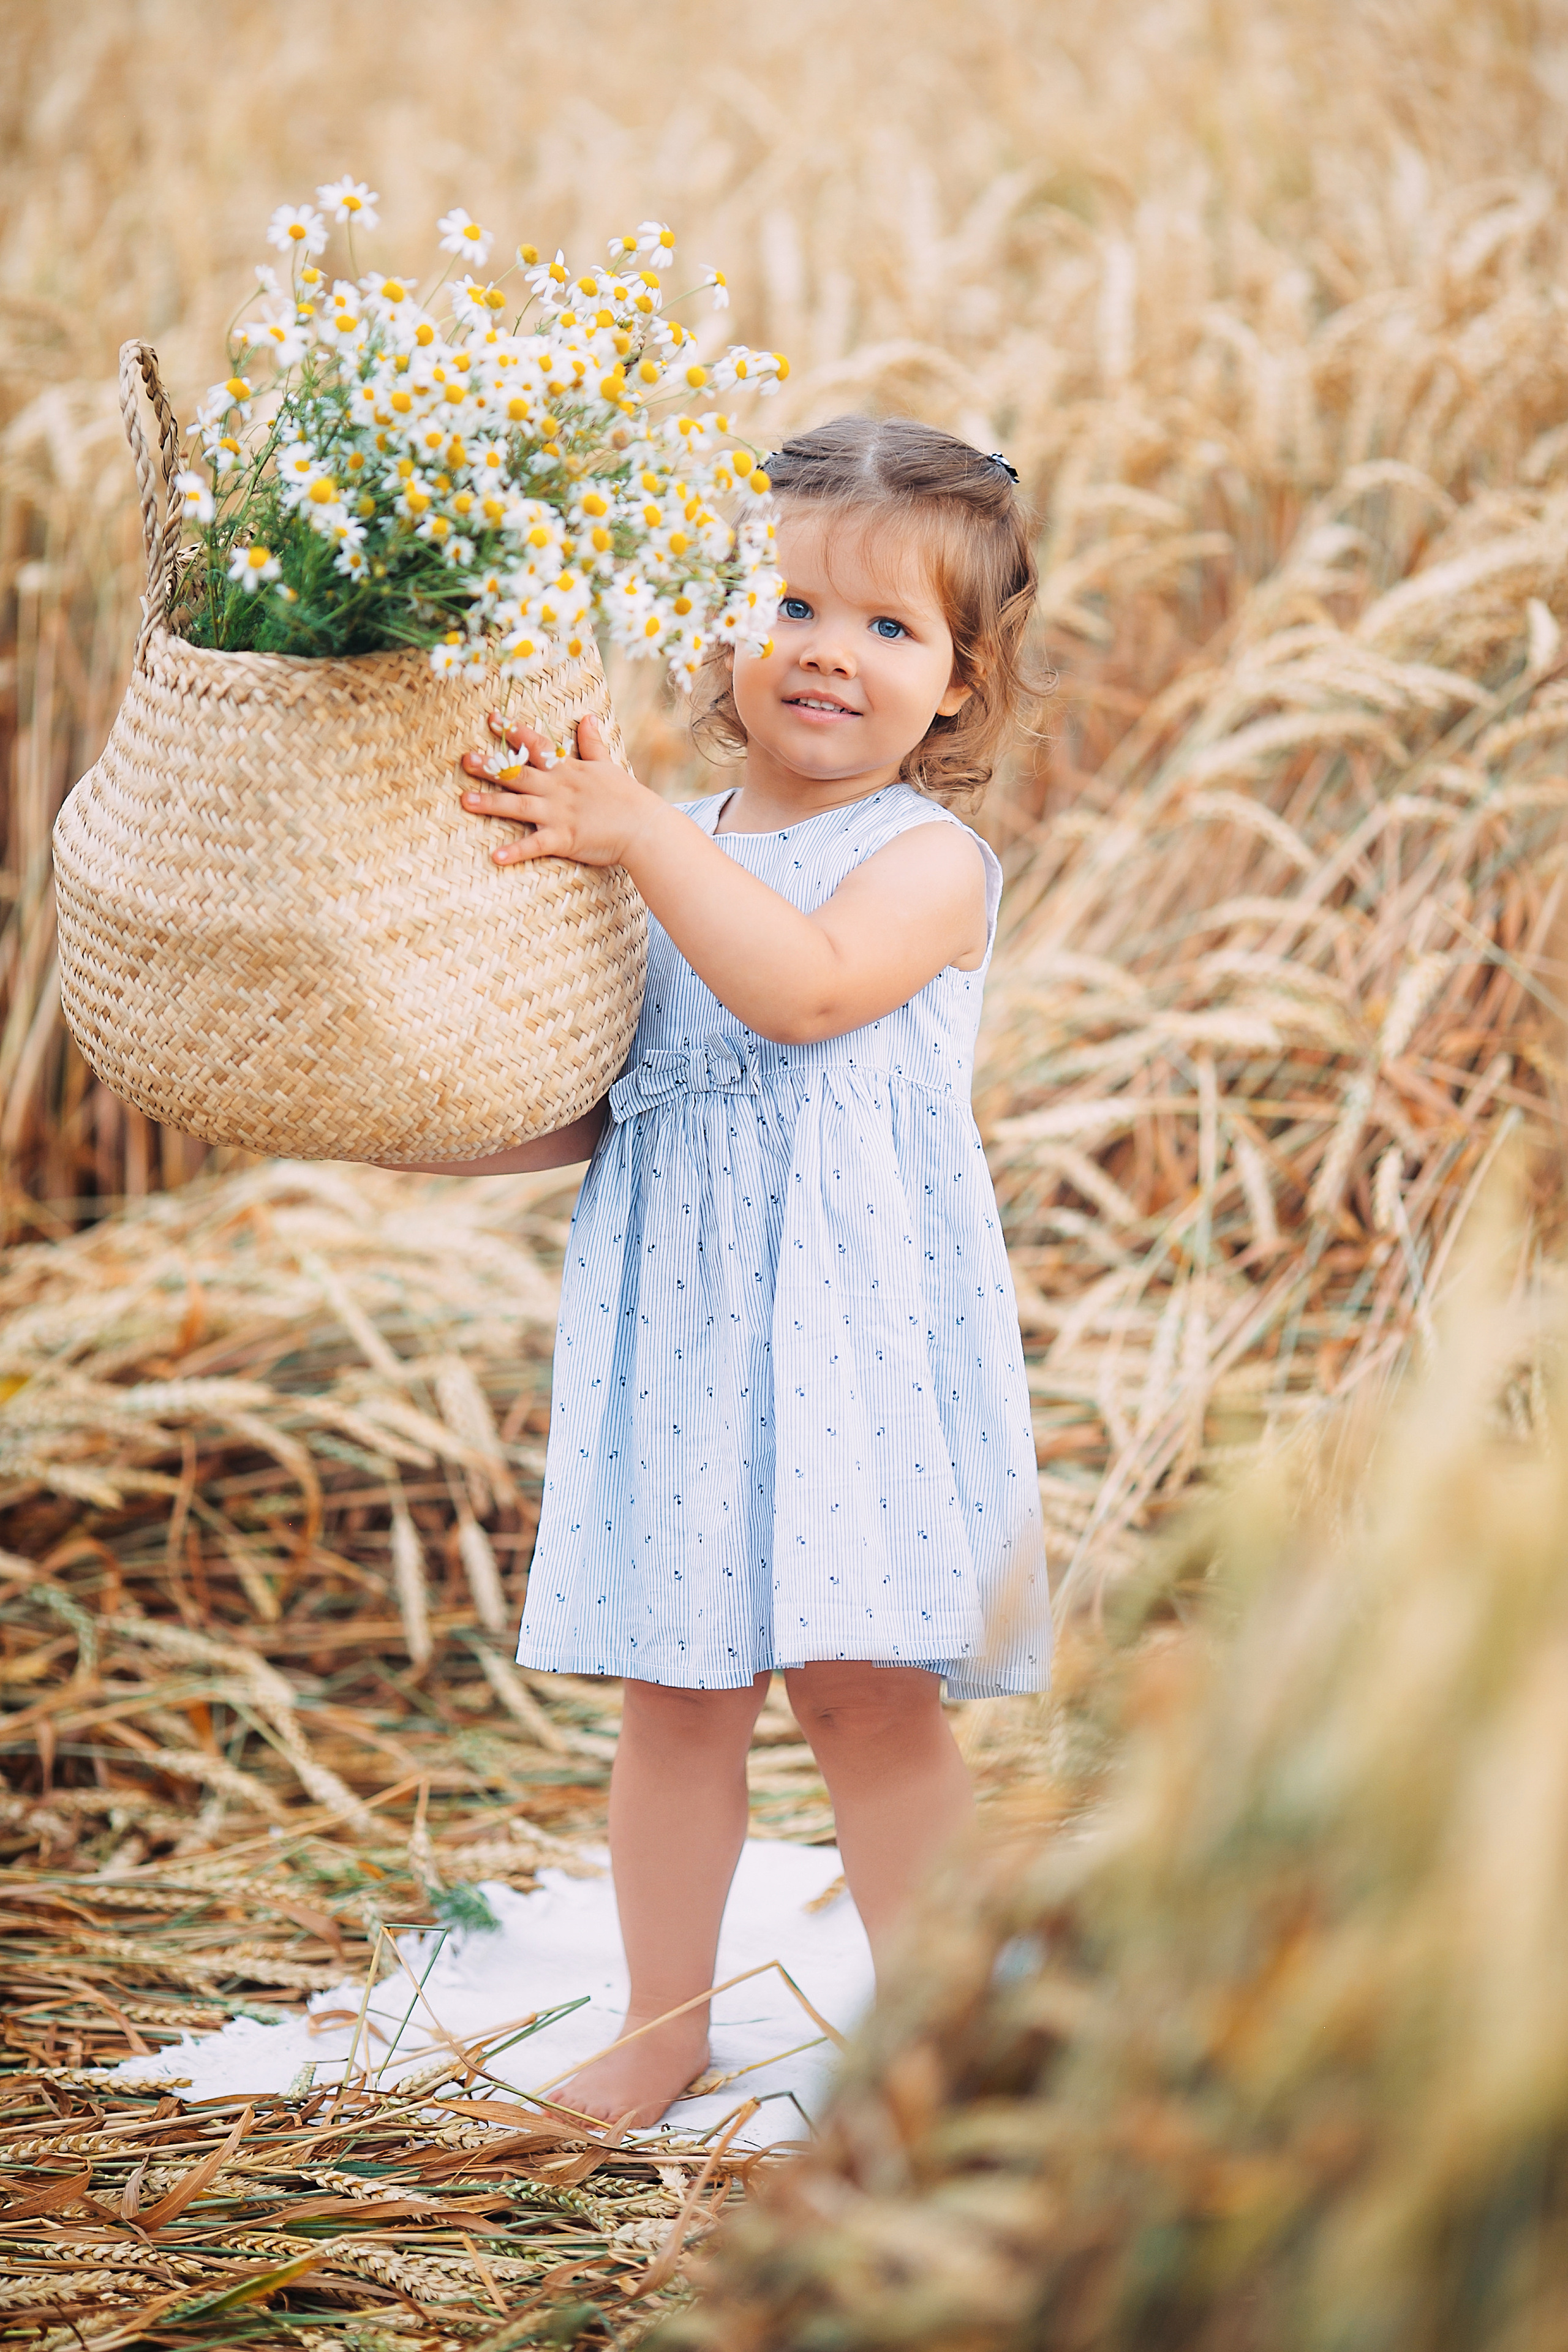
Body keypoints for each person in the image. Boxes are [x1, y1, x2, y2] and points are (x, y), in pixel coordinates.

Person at [448, 415, 1051, 2126]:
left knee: (866, 1696)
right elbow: (599, 1103)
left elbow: (795, 991)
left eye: (887, 628)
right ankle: (665, 2021)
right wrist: (394, 1117)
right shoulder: (673, 842)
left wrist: (636, 834)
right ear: (723, 622)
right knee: (681, 1687)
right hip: (688, 1330)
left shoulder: (925, 864)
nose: (826, 652)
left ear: (956, 682)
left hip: (851, 1330)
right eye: (789, 603)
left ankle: (944, 2033)